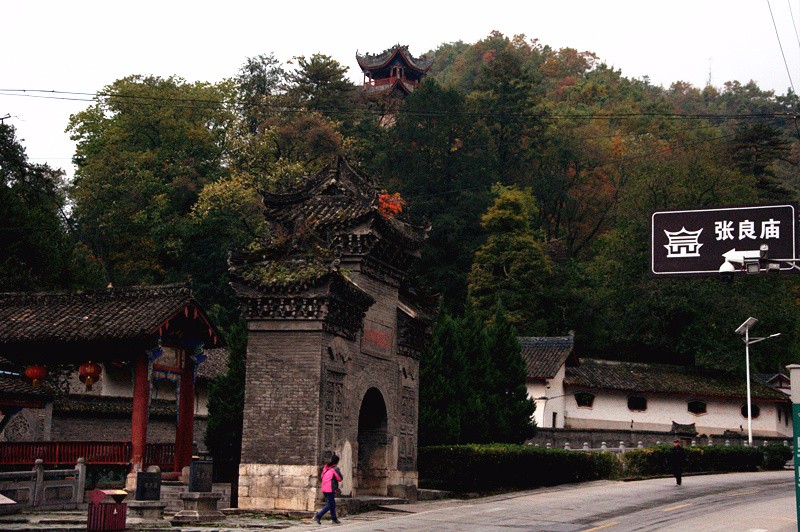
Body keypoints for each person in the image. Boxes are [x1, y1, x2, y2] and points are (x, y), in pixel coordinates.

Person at [314, 455, 343, 525]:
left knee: (331, 504)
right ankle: (318, 515)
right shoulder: (335, 469)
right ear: (337, 461)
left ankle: (334, 519)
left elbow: (321, 476)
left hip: (324, 488)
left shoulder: (326, 467)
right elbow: (340, 478)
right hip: (330, 488)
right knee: (331, 504)